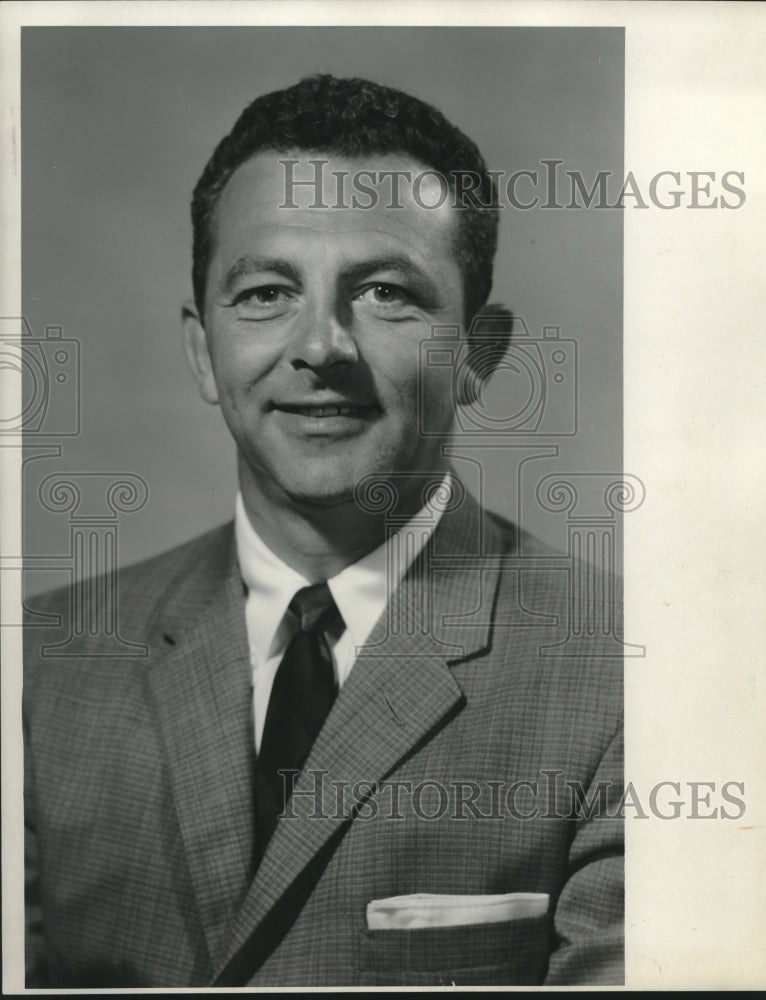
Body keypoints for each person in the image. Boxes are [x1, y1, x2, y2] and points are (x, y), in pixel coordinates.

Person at [23, 74, 623, 987]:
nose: (320, 347)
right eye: (267, 292)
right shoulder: (38, 668)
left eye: (384, 292)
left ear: (478, 355)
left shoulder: (630, 679)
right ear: (203, 350)